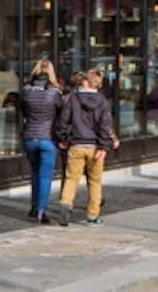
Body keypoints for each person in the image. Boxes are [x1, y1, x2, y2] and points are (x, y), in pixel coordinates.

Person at [58, 67, 119, 225]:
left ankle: (66, 203)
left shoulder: (73, 98)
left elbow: (63, 120)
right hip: (95, 147)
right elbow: (105, 126)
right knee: (94, 182)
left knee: (72, 178)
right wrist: (104, 147)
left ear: (85, 81)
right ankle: (92, 216)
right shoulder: (103, 102)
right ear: (97, 84)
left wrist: (64, 138)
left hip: (76, 144)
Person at [14, 59, 65, 224]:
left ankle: (34, 206)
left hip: (29, 137)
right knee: (45, 177)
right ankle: (41, 211)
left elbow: (20, 110)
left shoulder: (26, 90)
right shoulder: (55, 93)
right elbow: (61, 115)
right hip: (48, 139)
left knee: (35, 173)